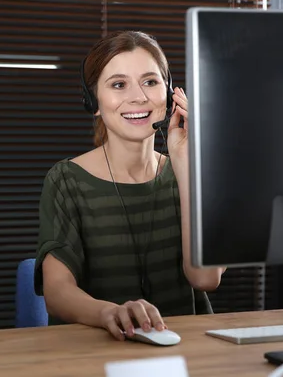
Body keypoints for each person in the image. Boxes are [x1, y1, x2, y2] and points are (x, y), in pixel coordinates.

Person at [34, 30, 226, 341]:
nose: (138, 97)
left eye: (150, 82)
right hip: (95, 351)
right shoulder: (66, 179)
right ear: (94, 101)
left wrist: (187, 166)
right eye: (119, 85)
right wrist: (107, 312)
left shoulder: (195, 171)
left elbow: (205, 279)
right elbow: (56, 291)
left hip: (185, 350)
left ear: (170, 94)